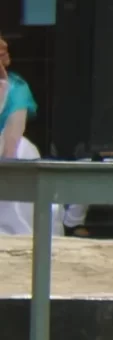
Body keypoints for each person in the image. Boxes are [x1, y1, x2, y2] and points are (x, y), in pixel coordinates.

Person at [0, 33, 58, 239]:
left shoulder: (17, 87)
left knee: (22, 151)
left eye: (4, 51)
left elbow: (13, 135)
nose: (4, 54)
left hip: (9, 151)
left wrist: (6, 169)